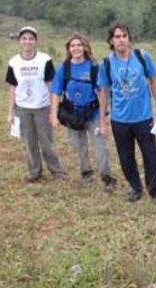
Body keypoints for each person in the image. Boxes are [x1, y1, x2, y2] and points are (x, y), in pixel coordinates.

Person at [97, 22, 156, 202]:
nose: (121, 40)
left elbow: (154, 80)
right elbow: (103, 93)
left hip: (144, 117)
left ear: (129, 38)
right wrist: (102, 121)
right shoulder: (106, 63)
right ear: (111, 41)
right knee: (126, 157)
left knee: (150, 155)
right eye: (117, 37)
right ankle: (135, 187)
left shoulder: (142, 56)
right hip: (120, 119)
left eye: (124, 36)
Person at [50, 33, 117, 192]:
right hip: (72, 115)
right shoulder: (64, 68)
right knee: (79, 145)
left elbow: (102, 93)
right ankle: (86, 171)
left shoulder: (95, 67)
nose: (76, 48)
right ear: (68, 49)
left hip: (93, 113)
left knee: (101, 146)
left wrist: (103, 119)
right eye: (73, 45)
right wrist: (53, 115)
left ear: (85, 47)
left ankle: (106, 177)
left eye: (79, 45)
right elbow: (56, 92)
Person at [5, 26, 65, 182]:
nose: (27, 42)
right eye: (24, 38)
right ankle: (34, 172)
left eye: (30, 38)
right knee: (29, 142)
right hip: (23, 109)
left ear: (35, 41)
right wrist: (10, 112)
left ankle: (57, 171)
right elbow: (13, 88)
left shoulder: (44, 59)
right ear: (20, 41)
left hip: (42, 107)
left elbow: (51, 86)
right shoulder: (14, 62)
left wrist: (53, 111)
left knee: (47, 142)